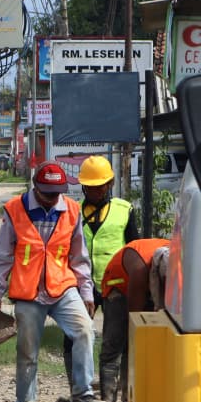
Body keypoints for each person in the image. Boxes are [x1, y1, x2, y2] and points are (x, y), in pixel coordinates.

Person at [0, 163, 108, 402]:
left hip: (62, 287)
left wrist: (86, 292)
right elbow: (3, 256)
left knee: (85, 330)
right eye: (48, 193)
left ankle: (83, 393)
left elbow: (79, 256)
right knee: (27, 350)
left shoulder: (71, 210)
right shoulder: (15, 210)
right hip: (29, 292)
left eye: (57, 193)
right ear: (35, 188)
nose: (54, 199)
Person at [61, 155, 140, 386]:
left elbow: (134, 248)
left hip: (116, 285)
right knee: (73, 337)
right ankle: (78, 390)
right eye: (90, 186)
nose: (95, 191)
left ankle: (118, 392)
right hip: (81, 285)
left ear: (109, 184)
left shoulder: (124, 210)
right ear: (83, 186)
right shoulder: (73, 212)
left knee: (117, 340)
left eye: (100, 186)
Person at [97, 238, 169, 402]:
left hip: (147, 283)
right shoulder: (140, 268)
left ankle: (130, 399)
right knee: (116, 343)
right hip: (119, 285)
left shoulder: (178, 260)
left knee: (139, 346)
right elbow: (135, 320)